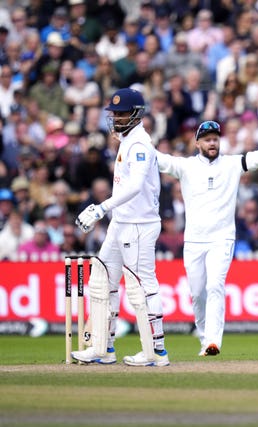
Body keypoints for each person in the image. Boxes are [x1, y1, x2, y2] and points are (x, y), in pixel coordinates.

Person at [155, 120, 258, 356]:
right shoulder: (185, 166)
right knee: (197, 293)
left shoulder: (232, 163)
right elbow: (159, 159)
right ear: (198, 143)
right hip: (194, 241)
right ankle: (204, 338)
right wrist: (131, 142)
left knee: (215, 286)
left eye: (215, 139)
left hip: (222, 238)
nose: (212, 142)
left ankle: (213, 341)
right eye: (207, 139)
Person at [71, 88, 169, 367]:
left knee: (142, 286)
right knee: (102, 282)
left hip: (139, 224)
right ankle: (103, 347)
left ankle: (156, 352)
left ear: (136, 115)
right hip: (121, 223)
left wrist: (101, 208)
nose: (115, 118)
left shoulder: (139, 145)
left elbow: (136, 186)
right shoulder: (128, 140)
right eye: (113, 113)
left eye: (122, 113)